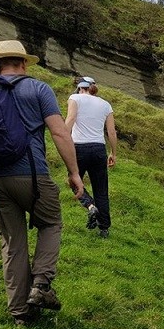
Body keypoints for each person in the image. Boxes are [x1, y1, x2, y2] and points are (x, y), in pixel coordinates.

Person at [0, 40, 84, 326]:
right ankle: (41, 286)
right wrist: (74, 173)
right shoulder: (38, 88)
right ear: (24, 63)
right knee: (50, 223)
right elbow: (60, 133)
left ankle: (21, 315)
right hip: (32, 176)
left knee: (13, 243)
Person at [65, 76, 117, 238]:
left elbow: (71, 119)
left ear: (80, 88)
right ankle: (104, 229)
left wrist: (62, 138)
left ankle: (90, 206)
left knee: (74, 181)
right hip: (99, 149)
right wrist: (113, 153)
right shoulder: (105, 104)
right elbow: (111, 131)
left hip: (79, 148)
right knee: (101, 189)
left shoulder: (75, 98)